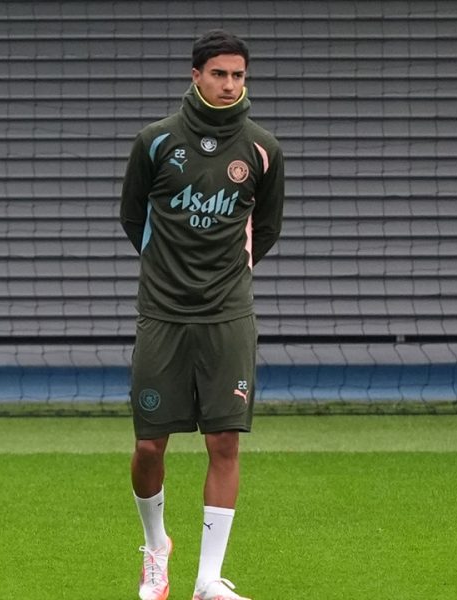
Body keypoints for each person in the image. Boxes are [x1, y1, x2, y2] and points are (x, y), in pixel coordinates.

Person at [120, 30, 284, 600]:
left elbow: (265, 230)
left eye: (239, 75)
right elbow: (132, 219)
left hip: (228, 315)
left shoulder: (263, 148)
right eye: (219, 74)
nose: (230, 84)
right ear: (196, 75)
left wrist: (222, 279)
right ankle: (155, 547)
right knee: (148, 447)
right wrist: (174, 274)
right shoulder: (155, 142)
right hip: (162, 314)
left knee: (225, 443)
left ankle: (208, 579)